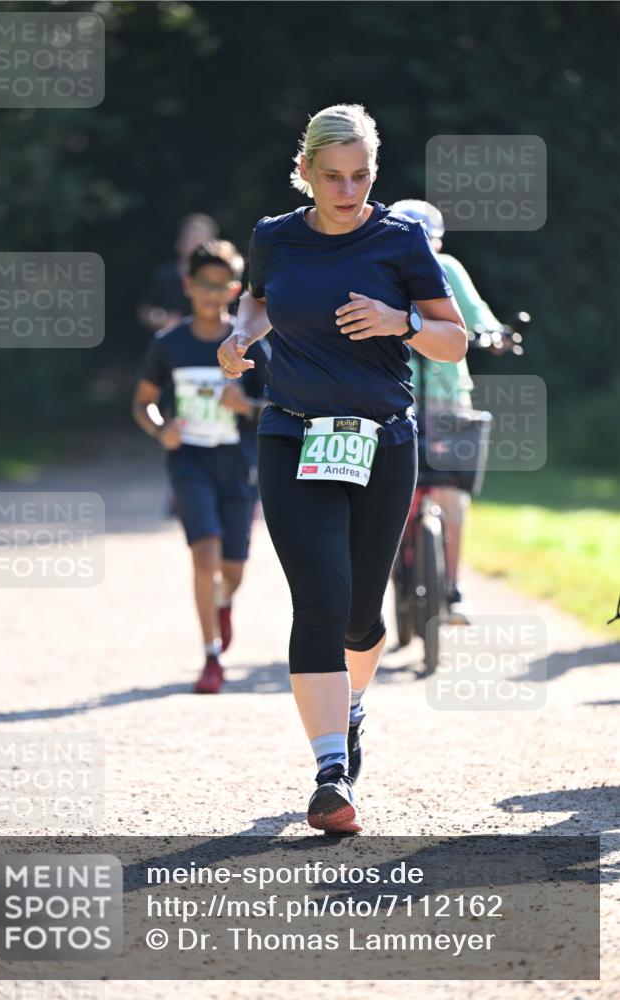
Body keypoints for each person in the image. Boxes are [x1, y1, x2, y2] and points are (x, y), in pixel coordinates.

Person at [217, 104, 467, 833]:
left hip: (381, 442)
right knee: (320, 598)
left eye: (361, 176)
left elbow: (453, 341)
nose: (348, 189)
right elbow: (257, 305)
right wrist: (239, 340)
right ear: (305, 173)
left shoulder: (401, 240)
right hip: (290, 436)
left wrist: (403, 324)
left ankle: (352, 706)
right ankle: (330, 775)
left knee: (361, 614)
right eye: (333, 176)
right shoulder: (274, 238)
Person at [132, 240, 268, 694]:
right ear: (188, 286)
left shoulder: (249, 343)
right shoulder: (169, 344)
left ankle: (224, 602)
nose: (214, 293)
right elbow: (145, 403)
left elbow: (281, 405)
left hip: (239, 466)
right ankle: (211, 657)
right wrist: (160, 429)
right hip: (189, 462)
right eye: (205, 284)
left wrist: (245, 403)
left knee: (233, 569)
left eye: (224, 285)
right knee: (203, 555)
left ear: (235, 289)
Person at [391, 200, 504, 625]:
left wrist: (492, 334)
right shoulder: (383, 271)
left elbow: (477, 314)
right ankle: (388, 570)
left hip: (446, 395)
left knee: (453, 495)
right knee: (387, 494)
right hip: (395, 394)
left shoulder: (448, 270)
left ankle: (453, 587)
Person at [137, 213, 219, 334]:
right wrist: (162, 319)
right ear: (179, 242)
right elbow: (145, 309)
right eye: (188, 239)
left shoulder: (219, 279)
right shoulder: (163, 275)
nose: (192, 245)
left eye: (198, 240)